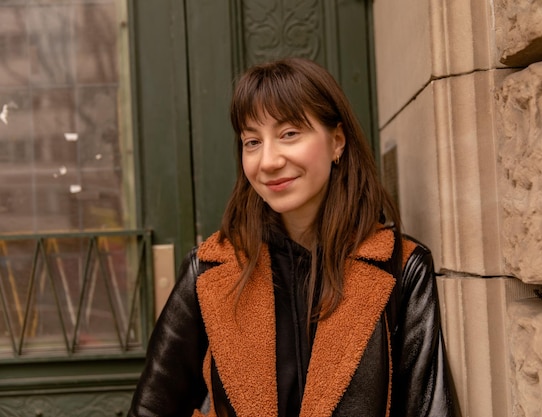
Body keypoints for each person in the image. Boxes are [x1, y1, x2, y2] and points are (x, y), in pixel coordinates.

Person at [127, 57, 459, 417]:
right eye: (252, 141)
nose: (268, 160)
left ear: (337, 142)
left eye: (289, 134)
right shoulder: (210, 270)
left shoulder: (401, 268)